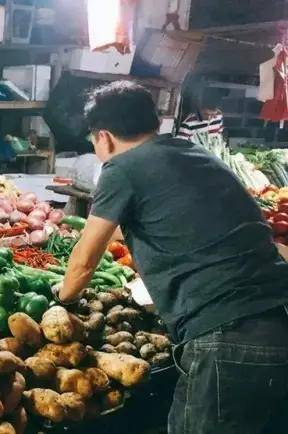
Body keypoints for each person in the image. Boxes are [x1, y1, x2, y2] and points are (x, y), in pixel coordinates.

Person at [56, 81, 288, 434]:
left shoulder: (122, 168)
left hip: (225, 335)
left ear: (103, 137)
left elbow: (83, 264)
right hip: (277, 321)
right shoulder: (193, 153)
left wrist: (60, 299)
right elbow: (172, 222)